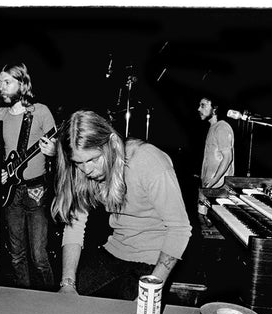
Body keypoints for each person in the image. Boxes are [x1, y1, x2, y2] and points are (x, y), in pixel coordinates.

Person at [51, 110, 191, 300]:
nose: (87, 170)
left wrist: (150, 292)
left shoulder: (147, 160)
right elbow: (74, 224)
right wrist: (67, 282)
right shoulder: (82, 169)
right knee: (67, 304)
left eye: (93, 159)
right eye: (78, 163)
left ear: (111, 144)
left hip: (153, 256)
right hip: (115, 250)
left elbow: (179, 229)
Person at [0, 62, 57, 290]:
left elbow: (58, 147)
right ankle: (23, 299)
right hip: (11, 193)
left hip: (36, 189)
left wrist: (54, 150)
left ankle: (52, 299)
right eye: (0, 82)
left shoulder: (40, 112)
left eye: (7, 82)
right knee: (15, 256)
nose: (1, 87)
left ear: (22, 84)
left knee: (39, 256)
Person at [197, 96, 234, 188]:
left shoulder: (221, 127)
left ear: (214, 109)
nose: (198, 109)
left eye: (203, 105)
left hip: (218, 187)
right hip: (210, 186)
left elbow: (228, 157)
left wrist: (213, 180)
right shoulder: (213, 128)